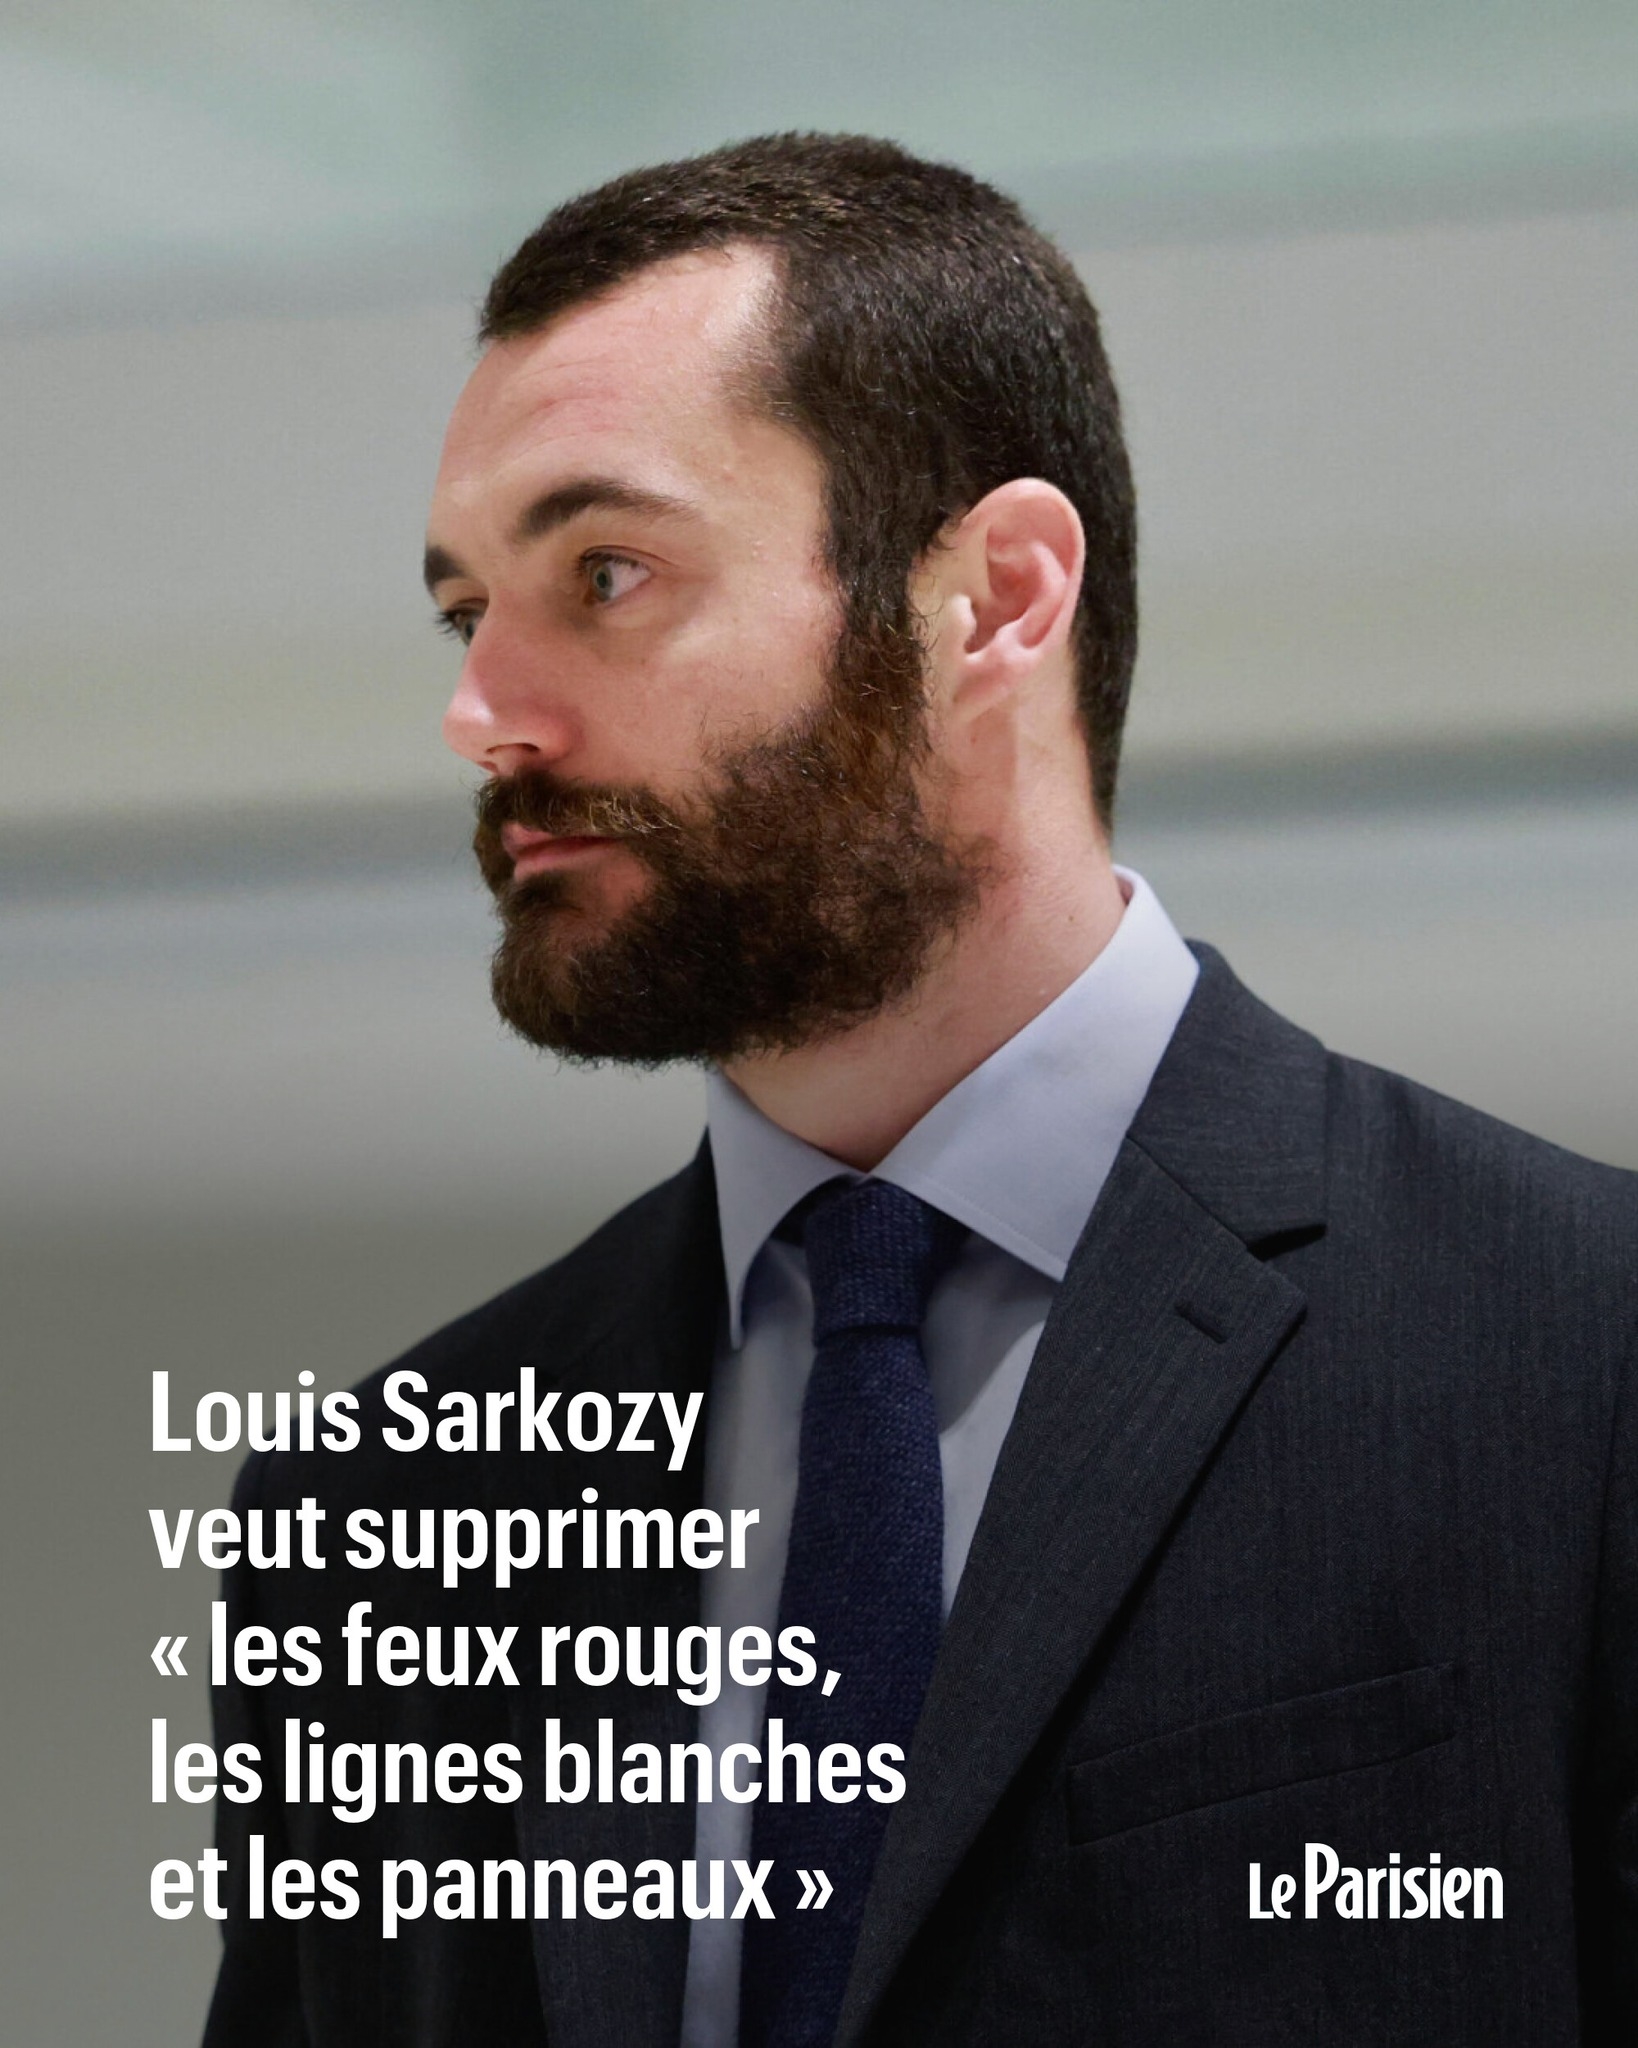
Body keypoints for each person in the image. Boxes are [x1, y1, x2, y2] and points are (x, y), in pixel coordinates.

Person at [203, 134, 1637, 2047]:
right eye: (471, 612)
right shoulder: (381, 1507)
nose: (484, 715)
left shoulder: (1586, 1359)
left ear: (997, 596)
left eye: (605, 573)